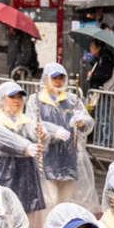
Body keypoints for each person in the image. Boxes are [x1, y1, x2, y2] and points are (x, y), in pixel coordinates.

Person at [0, 80, 47, 213]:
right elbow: (6, 139)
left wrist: (40, 133)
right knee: (5, 212)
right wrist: (26, 147)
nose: (17, 100)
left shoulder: (27, 120)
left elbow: (31, 130)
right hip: (4, 171)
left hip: (27, 173)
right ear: (1, 100)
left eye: (19, 97)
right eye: (12, 97)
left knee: (27, 214)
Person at [33, 64, 95, 207]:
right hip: (46, 159)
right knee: (51, 202)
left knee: (66, 203)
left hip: (68, 158)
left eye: (61, 78)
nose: (58, 81)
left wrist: (81, 121)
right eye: (54, 78)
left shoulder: (72, 100)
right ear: (46, 79)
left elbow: (87, 125)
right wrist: (54, 132)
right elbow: (33, 123)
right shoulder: (36, 100)